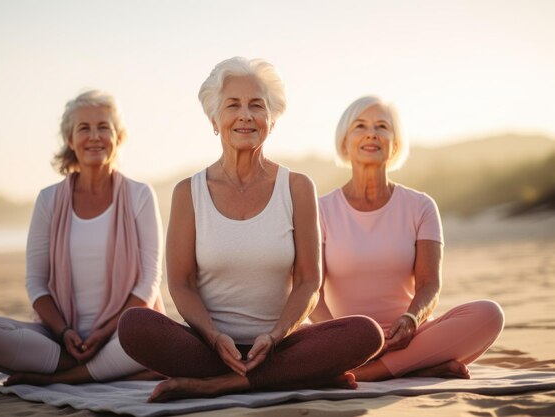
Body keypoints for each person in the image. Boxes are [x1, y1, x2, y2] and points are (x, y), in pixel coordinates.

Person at [117, 57, 384, 403]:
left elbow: (308, 282)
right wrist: (214, 338)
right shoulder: (188, 192)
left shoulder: (298, 187)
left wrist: (274, 336)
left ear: (272, 120)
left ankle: (223, 384)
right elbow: (181, 283)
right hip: (209, 348)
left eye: (257, 105)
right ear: (215, 120)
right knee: (134, 325)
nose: (245, 115)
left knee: (365, 333)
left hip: (280, 345)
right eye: (233, 105)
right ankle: (281, 377)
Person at [0, 90, 165, 385]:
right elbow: (36, 283)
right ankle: (93, 369)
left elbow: (149, 283)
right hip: (60, 338)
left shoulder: (139, 195)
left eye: (104, 127)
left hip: (121, 334)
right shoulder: (49, 200)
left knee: (154, 332)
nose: (95, 136)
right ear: (70, 140)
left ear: (118, 137)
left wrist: (105, 331)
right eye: (83, 128)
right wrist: (64, 332)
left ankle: (65, 376)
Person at [311, 95, 505, 381]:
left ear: (395, 143)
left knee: (489, 314)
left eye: (382, 126)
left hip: (409, 335)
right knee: (288, 346)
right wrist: (339, 340)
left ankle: (368, 374)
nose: (372, 133)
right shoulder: (321, 210)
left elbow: (429, 285)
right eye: (360, 126)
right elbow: (314, 292)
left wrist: (412, 320)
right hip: (346, 339)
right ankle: (419, 366)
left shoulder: (420, 206)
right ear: (344, 142)